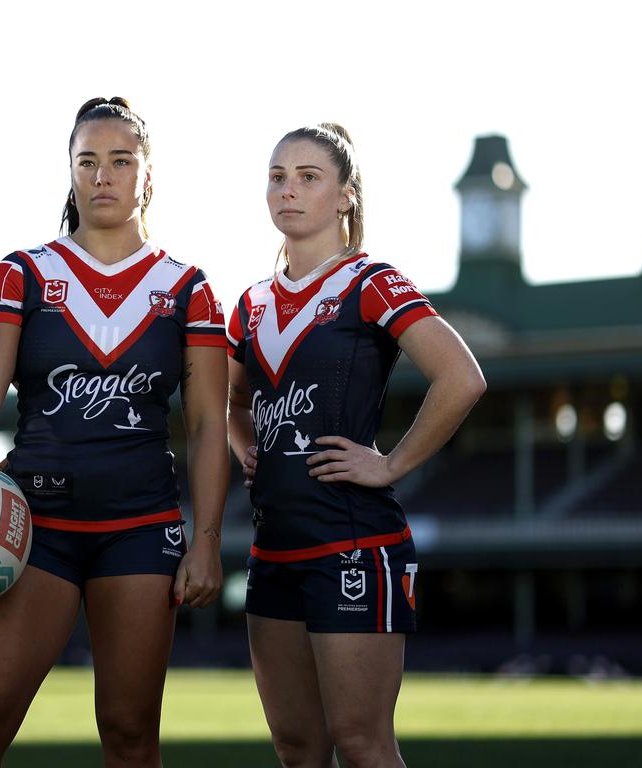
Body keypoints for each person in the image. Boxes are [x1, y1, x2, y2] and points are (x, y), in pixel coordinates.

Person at [0, 97, 229, 768]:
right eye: (87, 162)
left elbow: (209, 426)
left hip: (141, 528)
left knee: (128, 735)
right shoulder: (23, 273)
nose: (103, 176)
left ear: (148, 177)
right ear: (70, 175)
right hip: (36, 527)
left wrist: (206, 540)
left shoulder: (188, 289)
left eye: (121, 161)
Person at [227, 124, 486, 768]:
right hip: (273, 549)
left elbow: (462, 378)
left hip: (352, 544)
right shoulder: (251, 304)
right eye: (277, 176)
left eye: (309, 177)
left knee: (365, 746)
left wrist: (392, 462)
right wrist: (241, 442)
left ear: (345, 196)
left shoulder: (370, 280)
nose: (288, 189)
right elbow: (229, 402)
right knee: (297, 749)